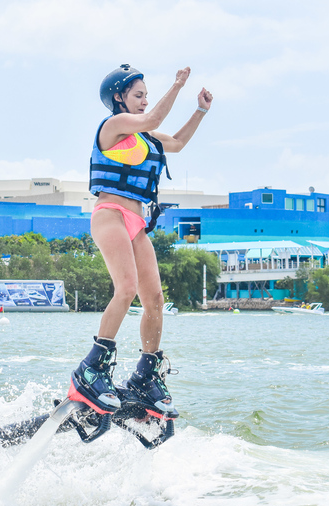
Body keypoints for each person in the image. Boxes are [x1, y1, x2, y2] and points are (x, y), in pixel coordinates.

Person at [69, 64, 213, 416]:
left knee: (155, 299)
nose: (145, 101)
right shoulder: (113, 126)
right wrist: (177, 86)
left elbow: (176, 143)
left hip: (136, 222)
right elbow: (152, 121)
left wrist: (200, 111)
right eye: (138, 95)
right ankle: (91, 369)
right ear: (119, 98)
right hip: (110, 214)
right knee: (126, 288)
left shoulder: (146, 137)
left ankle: (145, 375)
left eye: (146, 95)